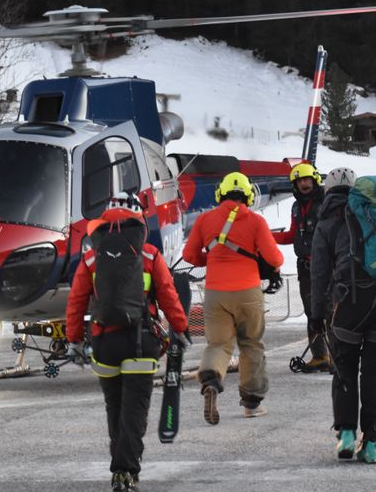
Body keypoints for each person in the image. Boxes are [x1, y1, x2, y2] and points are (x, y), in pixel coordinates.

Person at [66, 193, 189, 492]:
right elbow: (169, 296)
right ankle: (125, 471)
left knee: (115, 409)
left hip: (104, 344)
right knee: (134, 411)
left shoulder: (91, 257)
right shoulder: (148, 255)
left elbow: (76, 302)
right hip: (141, 343)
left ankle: (120, 464)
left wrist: (73, 340)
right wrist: (181, 328)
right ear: (138, 219)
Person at [310, 166, 376, 464]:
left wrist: (315, 315)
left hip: (349, 301)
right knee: (375, 371)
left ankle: (347, 435)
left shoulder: (327, 222)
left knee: (345, 368)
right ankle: (372, 441)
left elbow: (319, 274)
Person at [183, 171, 283, 424]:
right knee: (251, 344)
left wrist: (213, 258)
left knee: (218, 344)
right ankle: (252, 403)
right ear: (248, 196)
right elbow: (275, 259)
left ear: (220, 194)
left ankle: (211, 379)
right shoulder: (256, 221)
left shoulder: (205, 220)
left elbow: (189, 255)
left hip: (216, 293)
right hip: (248, 291)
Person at [272, 162, 331, 371]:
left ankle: (337, 356)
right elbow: (293, 235)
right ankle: (320, 356)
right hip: (305, 267)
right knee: (312, 312)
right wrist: (267, 236)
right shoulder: (296, 207)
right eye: (299, 181)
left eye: (307, 180)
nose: (304, 184)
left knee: (331, 311)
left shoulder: (327, 202)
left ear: (314, 180)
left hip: (328, 266)